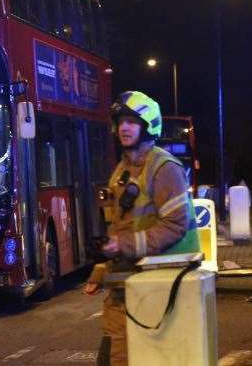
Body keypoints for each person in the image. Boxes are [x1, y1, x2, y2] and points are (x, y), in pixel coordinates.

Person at [83, 91, 200, 365]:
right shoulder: (122, 170)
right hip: (128, 283)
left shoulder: (164, 168)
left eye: (132, 122)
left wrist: (121, 246)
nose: (124, 127)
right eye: (121, 121)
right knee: (115, 354)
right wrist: (99, 271)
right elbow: (119, 227)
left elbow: (174, 227)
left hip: (160, 285)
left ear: (148, 125)